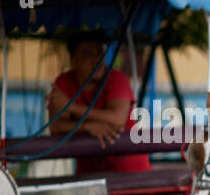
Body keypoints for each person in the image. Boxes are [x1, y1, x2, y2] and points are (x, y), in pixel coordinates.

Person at [46, 33, 150, 174]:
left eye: (100, 52)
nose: (97, 59)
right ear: (73, 60)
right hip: (89, 176)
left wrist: (71, 107)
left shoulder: (117, 78)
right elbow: (56, 127)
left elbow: (117, 119)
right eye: (88, 54)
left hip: (130, 172)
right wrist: (87, 127)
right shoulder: (64, 81)